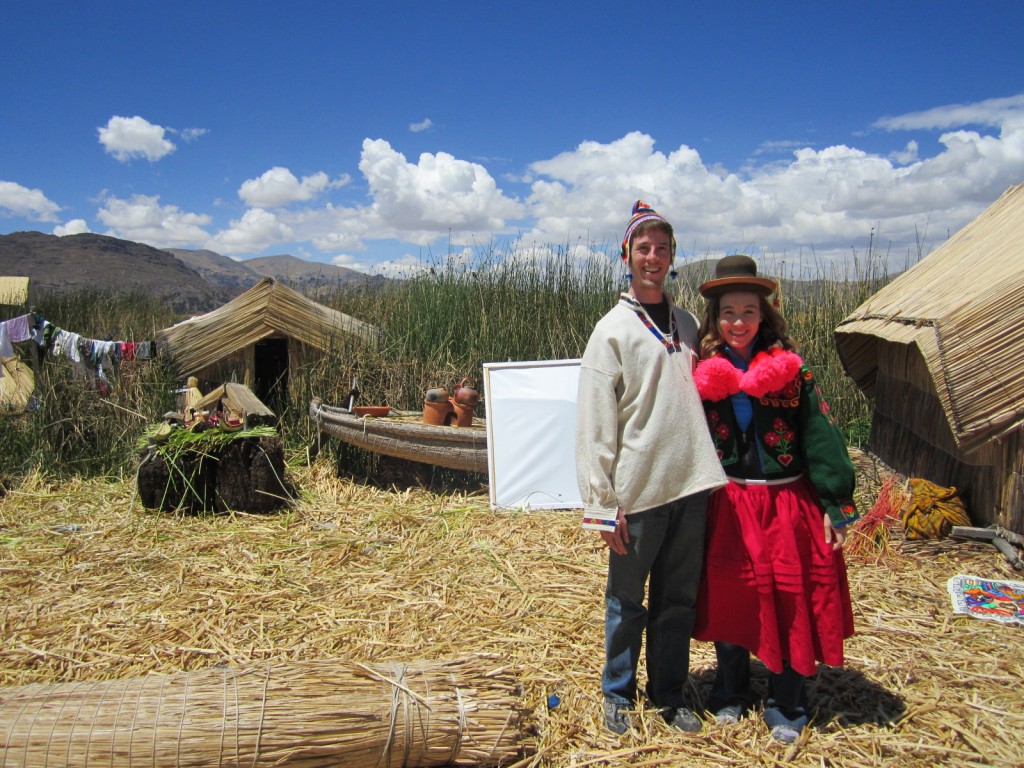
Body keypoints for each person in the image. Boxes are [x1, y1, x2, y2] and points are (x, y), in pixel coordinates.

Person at [690, 255, 859, 744]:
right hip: (731, 502)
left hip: (787, 501)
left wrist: (836, 503)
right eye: (727, 312)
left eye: (747, 311)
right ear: (714, 319)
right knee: (733, 594)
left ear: (764, 315)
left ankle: (788, 698)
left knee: (789, 597)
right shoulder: (703, 374)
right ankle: (730, 691)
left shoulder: (792, 372)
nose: (737, 321)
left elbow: (820, 434)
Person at [576, 200, 726, 735]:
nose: (653, 257)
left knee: (677, 600)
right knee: (625, 600)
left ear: (672, 257)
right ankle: (617, 693)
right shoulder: (612, 331)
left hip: (689, 485)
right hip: (636, 494)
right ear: (626, 256)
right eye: (643, 248)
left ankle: (668, 694)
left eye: (662, 249)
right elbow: (595, 424)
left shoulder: (686, 324)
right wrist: (601, 505)